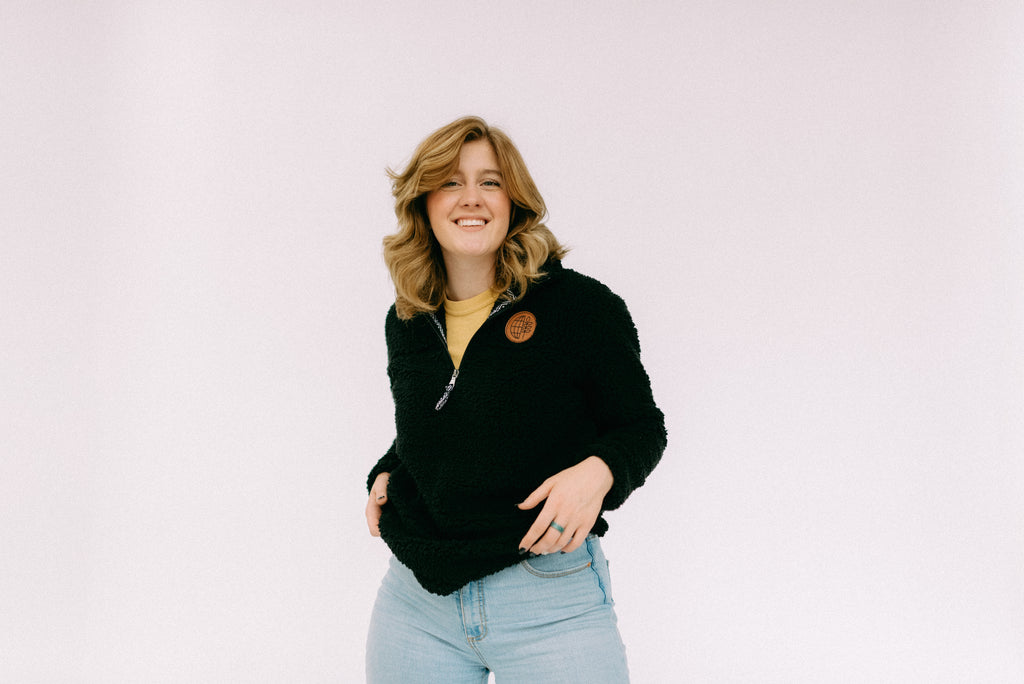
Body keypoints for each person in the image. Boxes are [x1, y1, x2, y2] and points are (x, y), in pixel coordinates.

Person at [364, 116, 666, 683]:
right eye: (450, 182)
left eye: (490, 182)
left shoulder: (581, 308)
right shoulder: (407, 318)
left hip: (548, 597)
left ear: (514, 201)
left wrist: (598, 472)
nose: (471, 198)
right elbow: (443, 418)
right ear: (423, 202)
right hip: (415, 606)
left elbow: (641, 426)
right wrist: (389, 468)